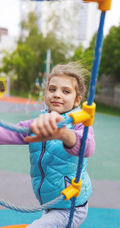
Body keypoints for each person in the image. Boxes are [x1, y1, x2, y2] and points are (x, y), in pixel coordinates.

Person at [0, 62, 96, 228]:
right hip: (51, 205)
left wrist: (63, 133)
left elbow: (88, 147)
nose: (57, 94)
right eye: (52, 89)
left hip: (71, 207)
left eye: (66, 91)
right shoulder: (38, 124)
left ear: (76, 100)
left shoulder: (80, 124)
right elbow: (10, 132)